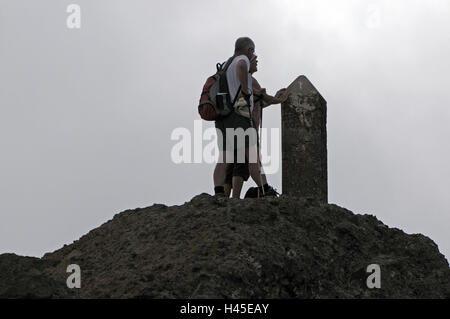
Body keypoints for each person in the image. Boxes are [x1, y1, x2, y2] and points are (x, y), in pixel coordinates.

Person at [224, 54, 289, 198]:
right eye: (254, 60)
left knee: (234, 161)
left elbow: (258, 103)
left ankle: (226, 197)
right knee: (245, 161)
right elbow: (261, 99)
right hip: (247, 123)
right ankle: (238, 196)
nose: (257, 61)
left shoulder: (235, 80)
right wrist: (279, 99)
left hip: (233, 123)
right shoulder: (249, 80)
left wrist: (273, 98)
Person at [213, 37, 261, 197]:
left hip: (222, 115)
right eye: (253, 54)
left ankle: (219, 192)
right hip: (238, 116)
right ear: (250, 50)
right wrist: (247, 92)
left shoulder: (226, 65)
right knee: (246, 158)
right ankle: (263, 189)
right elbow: (242, 65)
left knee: (225, 158)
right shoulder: (242, 60)